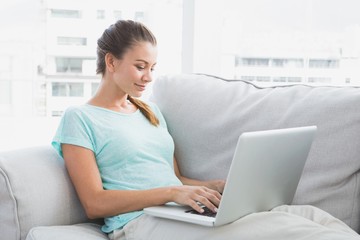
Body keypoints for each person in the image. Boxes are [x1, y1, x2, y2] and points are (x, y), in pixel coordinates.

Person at [52, 20, 360, 240]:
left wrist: (213, 186)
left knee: (311, 217)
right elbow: (94, 202)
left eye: (153, 68)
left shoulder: (150, 112)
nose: (148, 77)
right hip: (139, 223)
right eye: (140, 66)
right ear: (111, 61)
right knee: (295, 233)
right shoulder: (80, 118)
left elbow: (174, 178)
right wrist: (173, 193)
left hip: (175, 211)